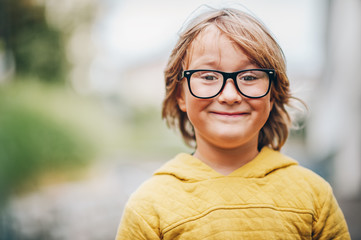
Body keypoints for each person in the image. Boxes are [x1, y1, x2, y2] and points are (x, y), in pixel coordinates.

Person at [115, 6, 350, 239]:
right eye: (208, 77)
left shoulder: (314, 195)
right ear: (180, 94)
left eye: (249, 77)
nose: (229, 95)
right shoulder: (149, 205)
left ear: (273, 93)